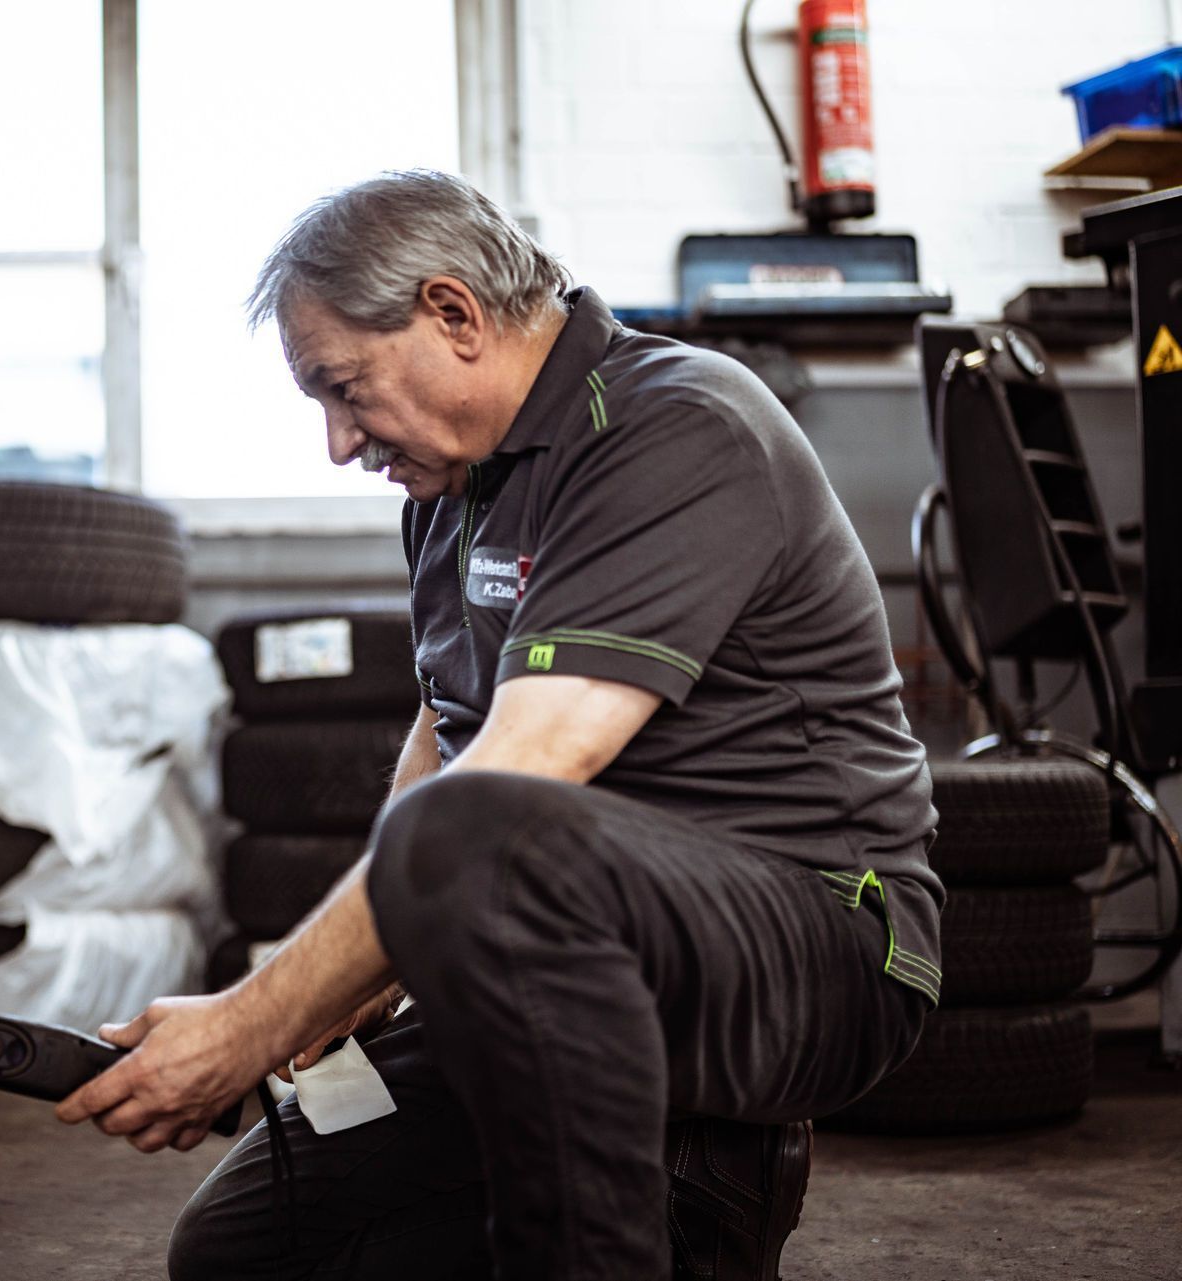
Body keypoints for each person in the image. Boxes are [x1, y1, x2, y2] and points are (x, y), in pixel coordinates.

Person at [55, 170, 942, 1281]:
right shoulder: (450, 493)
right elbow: (450, 725)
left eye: (343, 388)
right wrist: (364, 976)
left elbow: (519, 775)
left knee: (476, 833)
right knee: (243, 1249)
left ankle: (702, 1174)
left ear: (453, 315)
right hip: (578, 932)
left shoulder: (676, 427)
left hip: (814, 940)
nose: (337, 443)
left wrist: (254, 1020)